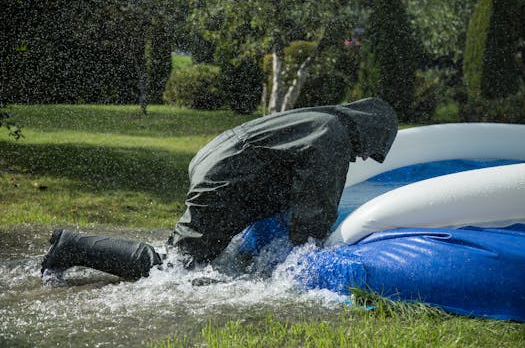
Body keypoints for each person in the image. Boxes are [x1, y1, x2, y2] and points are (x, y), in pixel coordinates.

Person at [41, 97, 398, 285]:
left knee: (198, 261)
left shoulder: (323, 121)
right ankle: (72, 245)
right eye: (372, 149)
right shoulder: (333, 136)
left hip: (219, 160)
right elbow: (314, 207)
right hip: (227, 175)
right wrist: (309, 254)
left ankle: (72, 245)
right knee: (175, 269)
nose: (366, 156)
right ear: (370, 132)